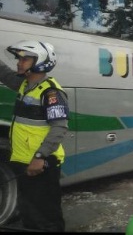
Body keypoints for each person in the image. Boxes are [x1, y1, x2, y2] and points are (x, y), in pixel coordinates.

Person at [0, 40, 69, 232]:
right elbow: (5, 74)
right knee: (29, 215)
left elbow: (59, 128)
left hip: (41, 164)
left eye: (25, 59)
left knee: (46, 218)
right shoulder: (25, 85)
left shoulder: (50, 92)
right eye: (19, 59)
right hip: (23, 162)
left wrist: (39, 157)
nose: (19, 63)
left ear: (41, 61)